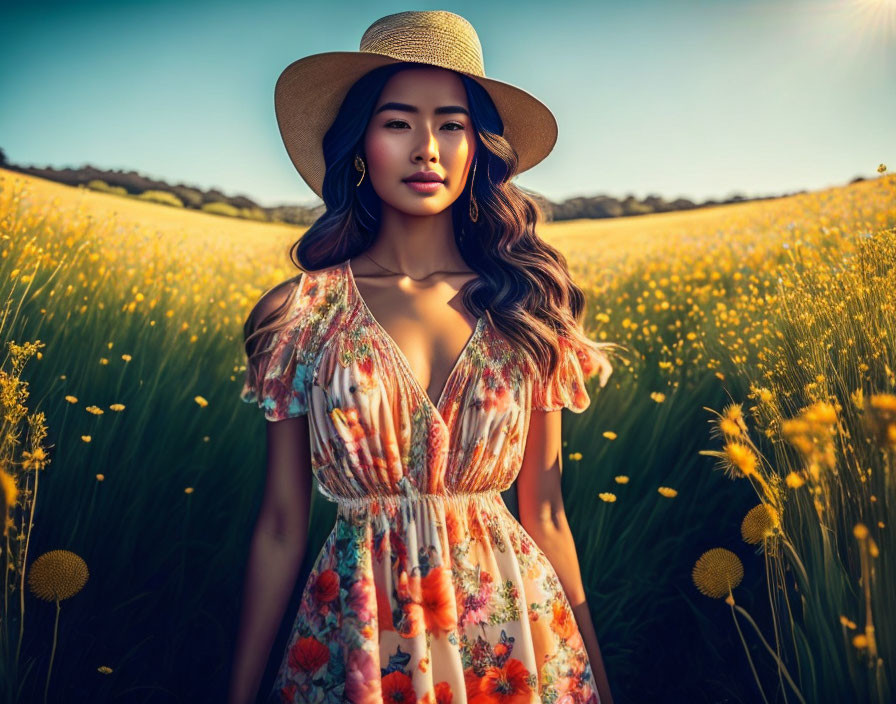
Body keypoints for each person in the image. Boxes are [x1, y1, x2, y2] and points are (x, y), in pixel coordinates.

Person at [228, 10, 622, 704]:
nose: (426, 149)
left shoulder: (527, 307)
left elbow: (547, 514)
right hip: (357, 635)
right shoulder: (301, 313)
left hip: (516, 641)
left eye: (451, 124)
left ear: (478, 149)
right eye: (397, 122)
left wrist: (597, 675)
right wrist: (236, 692)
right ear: (359, 145)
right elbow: (282, 525)